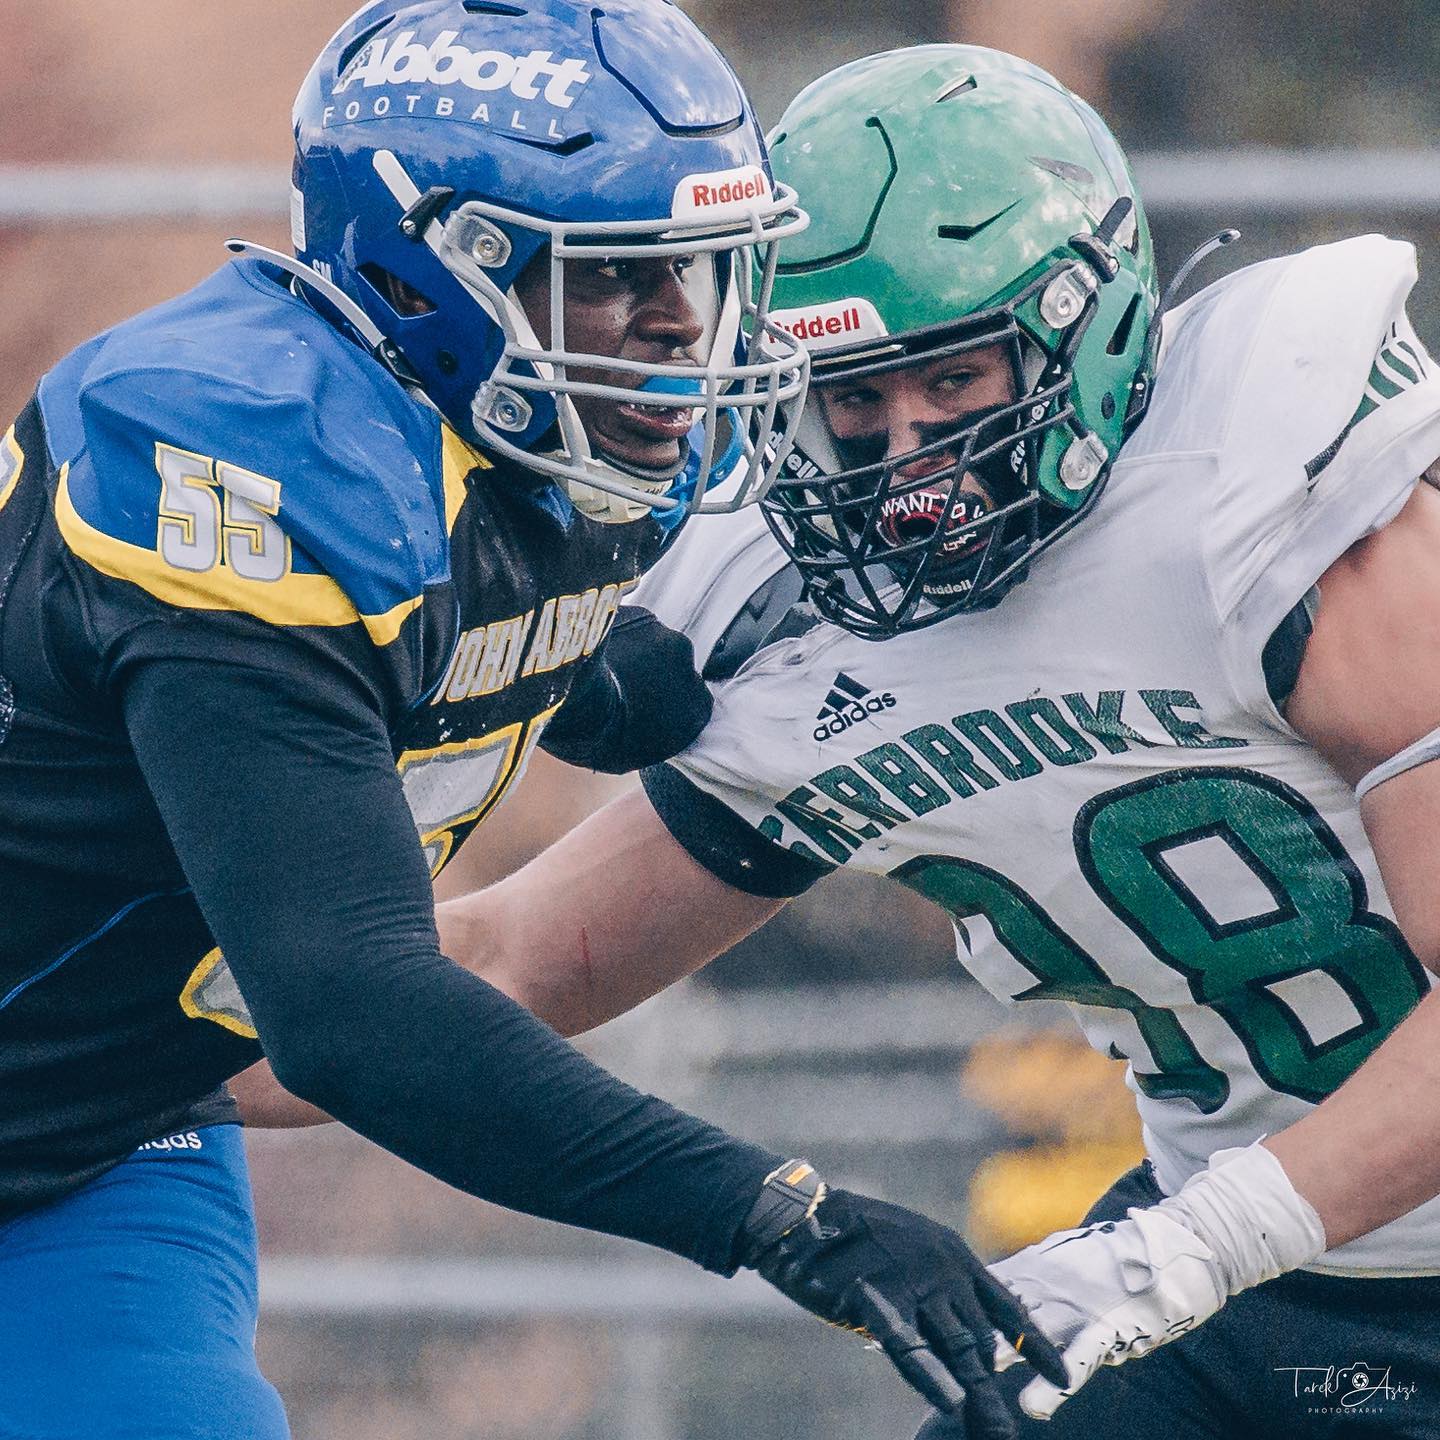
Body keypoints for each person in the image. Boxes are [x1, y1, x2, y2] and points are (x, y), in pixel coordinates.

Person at [238, 42, 1440, 1439]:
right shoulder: (801, 631)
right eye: (852, 400)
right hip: (1238, 1282)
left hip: (1221, 1249)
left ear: (1083, 328)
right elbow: (503, 962)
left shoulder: (1293, 506)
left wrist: (1186, 1251)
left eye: (953, 384)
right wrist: (105, 1060)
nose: (903, 459)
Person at [0, 11, 1062, 1438]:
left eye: (696, 267)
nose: (681, 326)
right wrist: (774, 1215)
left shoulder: (537, 428)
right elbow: (351, 1012)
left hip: (97, 1130)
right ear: (426, 274)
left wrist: (639, 687)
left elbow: (492, 638)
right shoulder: (242, 459)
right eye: (619, 277)